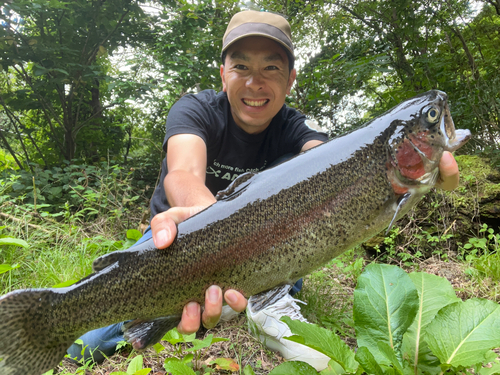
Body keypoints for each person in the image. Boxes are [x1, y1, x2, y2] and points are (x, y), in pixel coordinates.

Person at [68, 10, 461, 371]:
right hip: (177, 247)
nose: (255, 82)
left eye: (271, 68)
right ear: (222, 74)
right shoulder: (195, 110)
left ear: (290, 79)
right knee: (83, 340)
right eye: (241, 66)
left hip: (272, 257)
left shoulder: (296, 130)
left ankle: (262, 307)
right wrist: (214, 235)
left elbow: (332, 159)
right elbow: (183, 173)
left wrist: (420, 177)